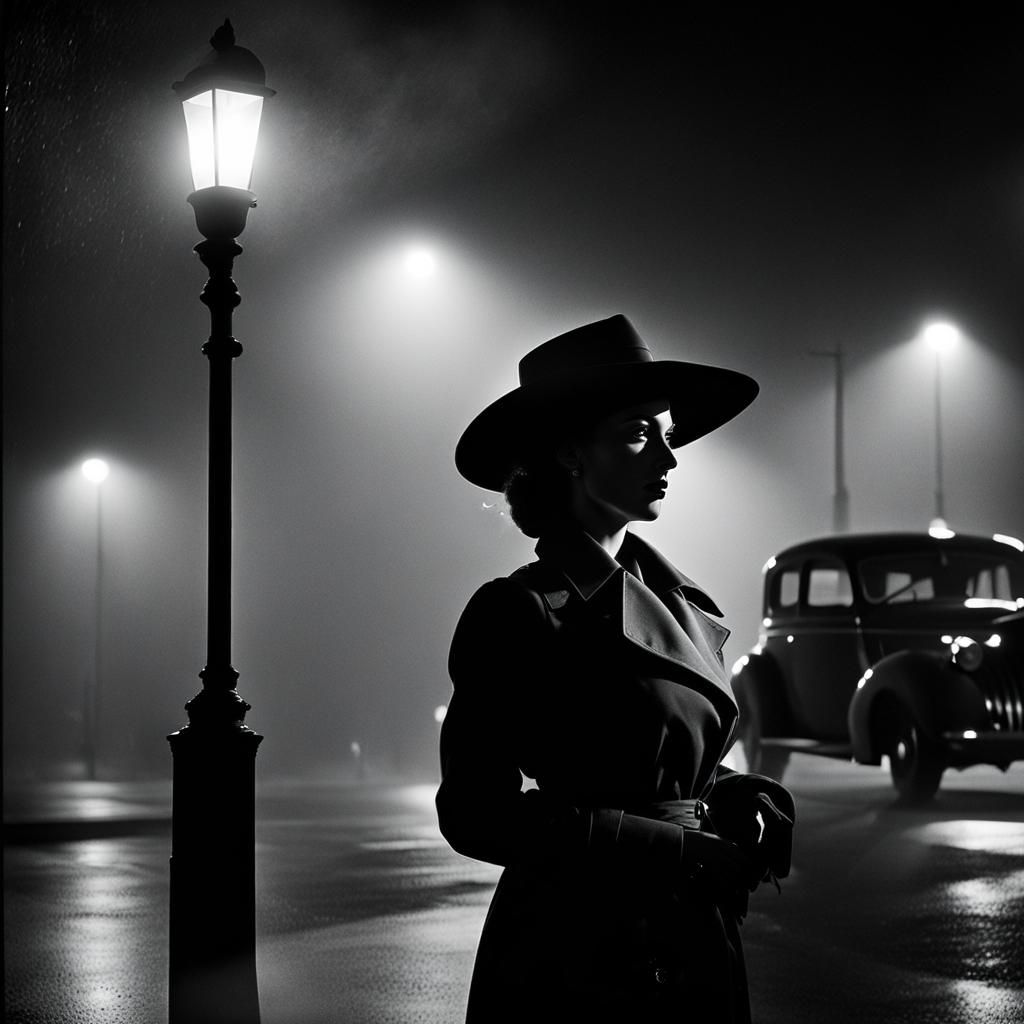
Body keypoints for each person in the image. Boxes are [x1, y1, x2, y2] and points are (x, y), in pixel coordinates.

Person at [437, 314, 795, 1023]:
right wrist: (670, 848)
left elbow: (648, 757)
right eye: (640, 432)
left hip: (692, 937)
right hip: (576, 956)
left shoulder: (681, 599)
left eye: (667, 431)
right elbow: (476, 814)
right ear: (571, 453)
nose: (669, 453)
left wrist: (732, 796)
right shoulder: (519, 611)